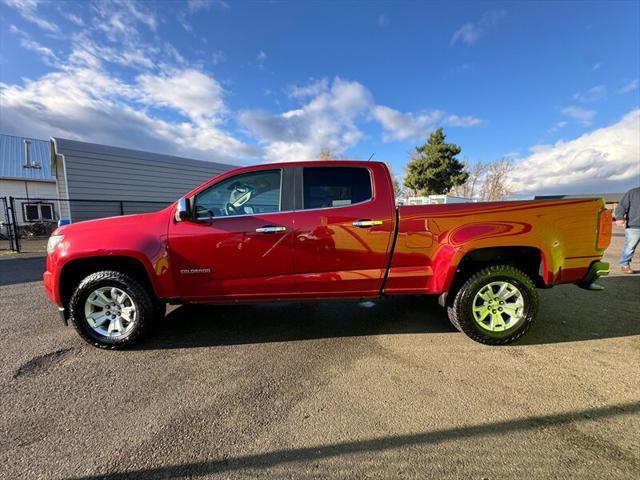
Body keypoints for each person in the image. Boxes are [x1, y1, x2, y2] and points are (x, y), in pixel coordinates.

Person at [614, 186, 640, 274]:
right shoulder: (633, 193)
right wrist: (619, 217)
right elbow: (622, 206)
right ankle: (625, 265)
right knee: (629, 247)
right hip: (634, 226)